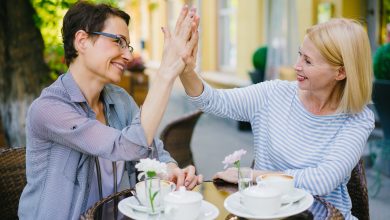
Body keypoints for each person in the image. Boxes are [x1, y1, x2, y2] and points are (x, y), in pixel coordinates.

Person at [18, 2, 201, 220]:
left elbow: (151, 150)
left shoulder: (119, 98)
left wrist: (171, 170)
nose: (128, 56)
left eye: (128, 46)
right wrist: (165, 73)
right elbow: (125, 146)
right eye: (118, 42)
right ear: (82, 41)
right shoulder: (48, 109)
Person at [180, 18, 374, 219]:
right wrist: (187, 70)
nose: (296, 66)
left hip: (327, 215)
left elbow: (322, 180)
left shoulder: (358, 119)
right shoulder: (273, 95)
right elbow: (212, 101)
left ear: (340, 72)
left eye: (308, 61)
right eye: (300, 54)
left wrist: (250, 175)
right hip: (266, 212)